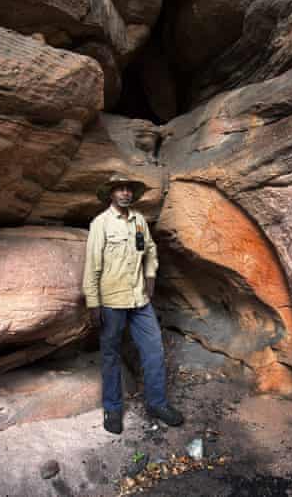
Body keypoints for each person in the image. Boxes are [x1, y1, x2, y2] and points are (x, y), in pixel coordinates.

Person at [82, 174, 184, 435]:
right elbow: (92, 267)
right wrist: (94, 303)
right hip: (112, 301)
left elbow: (150, 250)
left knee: (154, 351)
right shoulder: (100, 224)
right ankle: (113, 408)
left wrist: (150, 277)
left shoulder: (139, 221)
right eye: (120, 189)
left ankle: (157, 404)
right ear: (111, 194)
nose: (125, 193)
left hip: (139, 300)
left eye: (128, 189)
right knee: (110, 355)